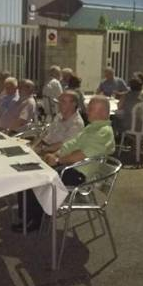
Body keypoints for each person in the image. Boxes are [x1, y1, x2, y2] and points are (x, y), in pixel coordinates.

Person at [15, 96, 115, 232]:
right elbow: (71, 144)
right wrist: (56, 154)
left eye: (91, 109)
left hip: (79, 175)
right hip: (71, 168)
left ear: (103, 112)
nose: (87, 111)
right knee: (31, 172)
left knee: (35, 177)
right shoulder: (92, 128)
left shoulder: (103, 132)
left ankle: (33, 221)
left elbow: (82, 155)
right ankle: (30, 216)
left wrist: (57, 160)